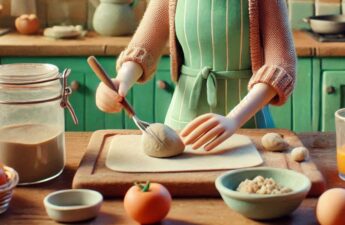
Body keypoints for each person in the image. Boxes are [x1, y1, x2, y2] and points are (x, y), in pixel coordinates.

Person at [95, 0, 296, 151]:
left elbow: (281, 66)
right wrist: (122, 80)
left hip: (250, 122)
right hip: (181, 124)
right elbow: (144, 47)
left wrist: (234, 119)